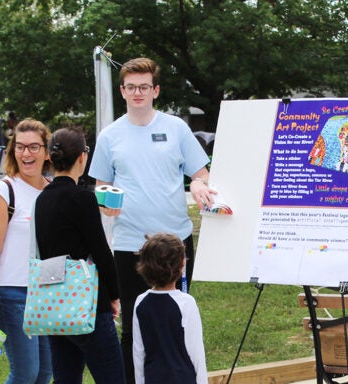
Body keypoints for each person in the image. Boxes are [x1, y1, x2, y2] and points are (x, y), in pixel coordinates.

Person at [88, 56, 215, 383]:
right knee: (132, 326)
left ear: (156, 90)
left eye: (144, 87)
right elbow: (100, 185)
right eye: (131, 87)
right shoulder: (110, 135)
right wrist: (106, 203)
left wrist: (200, 185)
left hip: (175, 242)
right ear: (122, 91)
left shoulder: (176, 128)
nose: (138, 93)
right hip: (130, 243)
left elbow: (200, 173)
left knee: (177, 320)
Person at [34, 127, 125, 383]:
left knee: (66, 378)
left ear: (51, 158)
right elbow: (101, 251)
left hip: (53, 301)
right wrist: (114, 295)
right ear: (83, 157)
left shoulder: (42, 199)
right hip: (86, 302)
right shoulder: (82, 199)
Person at [0, 118, 52, 384]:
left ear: (46, 151)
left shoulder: (52, 190)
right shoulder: (2, 192)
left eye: (34, 147)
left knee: (45, 373)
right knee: (25, 373)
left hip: (45, 293)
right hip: (11, 294)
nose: (26, 154)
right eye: (20, 147)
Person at [133, 233, 207, 384]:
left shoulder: (140, 302)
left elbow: (138, 353)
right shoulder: (186, 303)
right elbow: (196, 353)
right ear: (182, 265)